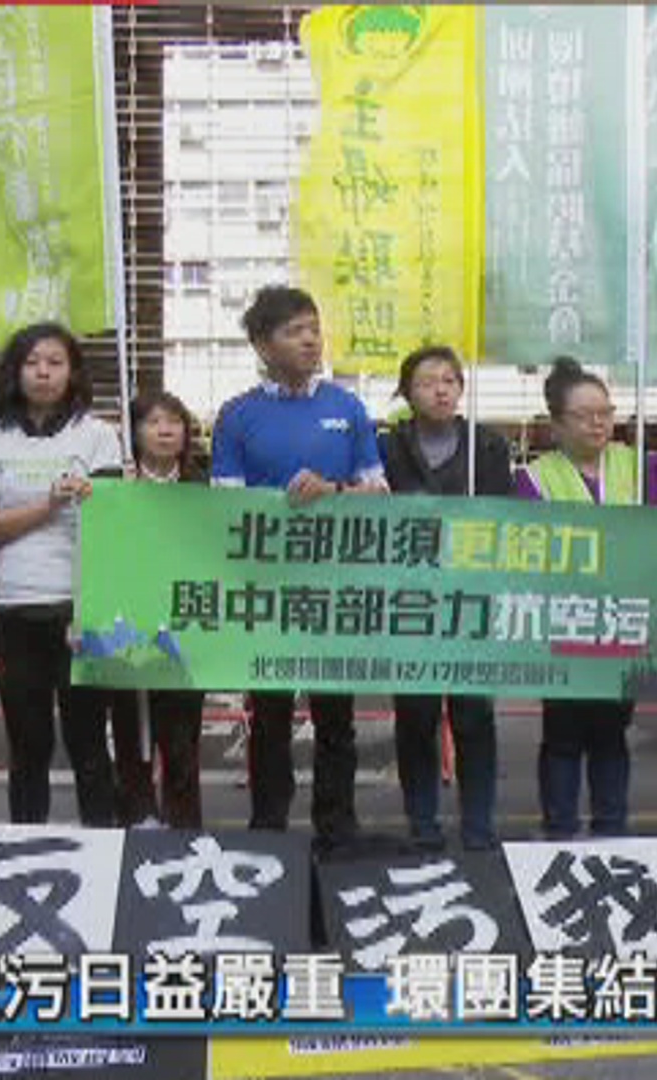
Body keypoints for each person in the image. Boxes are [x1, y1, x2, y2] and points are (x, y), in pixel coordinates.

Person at [209, 285, 387, 852]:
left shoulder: (348, 408)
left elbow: (379, 495)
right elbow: (224, 505)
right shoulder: (237, 416)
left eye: (314, 328)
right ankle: (269, 830)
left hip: (335, 589)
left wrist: (332, 491)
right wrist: (280, 504)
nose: (310, 340)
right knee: (270, 718)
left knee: (336, 718)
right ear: (263, 345)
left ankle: (337, 826)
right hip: (268, 592)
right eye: (294, 331)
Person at [0, 323, 122, 828]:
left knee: (89, 743)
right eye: (32, 362)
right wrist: (48, 505)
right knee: (28, 746)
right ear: (14, 371)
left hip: (79, 611)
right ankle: (26, 846)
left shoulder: (97, 437)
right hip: (16, 609)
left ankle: (104, 847)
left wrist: (97, 502)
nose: (44, 372)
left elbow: (115, 527)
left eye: (55, 362)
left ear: (73, 372)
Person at [515, 357, 657, 839]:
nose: (598, 422)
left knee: (611, 734)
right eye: (584, 415)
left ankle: (611, 830)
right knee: (562, 735)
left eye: (605, 412)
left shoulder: (641, 465)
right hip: (564, 620)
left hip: (624, 620)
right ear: (557, 423)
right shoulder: (534, 478)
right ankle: (560, 830)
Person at [379, 345, 514, 851]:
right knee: (415, 715)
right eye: (427, 381)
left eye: (449, 381)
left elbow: (505, 518)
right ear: (406, 393)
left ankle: (478, 825)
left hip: (469, 597)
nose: (440, 390)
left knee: (474, 715)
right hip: (409, 599)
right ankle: (423, 823)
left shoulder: (488, 446)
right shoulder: (387, 447)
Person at [108, 390, 208, 830]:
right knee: (131, 734)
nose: (165, 431)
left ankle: (184, 828)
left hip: (185, 625)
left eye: (174, 421)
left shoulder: (203, 488)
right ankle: (136, 820)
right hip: (127, 625)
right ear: (134, 432)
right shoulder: (115, 488)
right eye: (153, 422)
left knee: (182, 738)